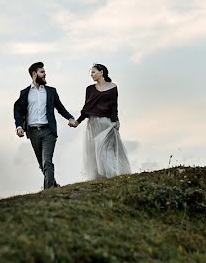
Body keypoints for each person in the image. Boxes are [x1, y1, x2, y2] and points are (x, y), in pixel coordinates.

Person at [13, 62, 78, 190]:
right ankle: (53, 184)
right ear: (34, 74)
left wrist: (70, 118)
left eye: (44, 72)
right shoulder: (25, 93)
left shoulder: (51, 91)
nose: (44, 74)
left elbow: (60, 107)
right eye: (42, 72)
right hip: (33, 132)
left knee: (47, 161)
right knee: (42, 164)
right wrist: (19, 126)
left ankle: (48, 190)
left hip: (48, 131)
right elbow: (18, 110)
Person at [70, 63, 131, 179]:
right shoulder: (90, 89)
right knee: (94, 151)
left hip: (107, 123)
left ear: (101, 72)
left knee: (106, 149)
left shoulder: (113, 87)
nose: (91, 75)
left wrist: (116, 121)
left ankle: (112, 175)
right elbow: (87, 108)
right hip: (93, 124)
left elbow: (114, 106)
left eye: (93, 72)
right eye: (91, 73)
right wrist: (77, 122)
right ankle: (99, 178)